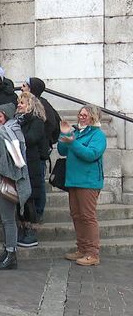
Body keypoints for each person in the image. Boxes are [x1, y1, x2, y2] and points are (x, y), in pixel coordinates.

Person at [0, 103, 31, 270]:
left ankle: (11, 255)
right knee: (5, 220)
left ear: (7, 116)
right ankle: (7, 250)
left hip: (11, 179)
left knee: (9, 220)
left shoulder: (12, 131)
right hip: (0, 179)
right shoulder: (2, 131)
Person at [58, 105, 107, 266]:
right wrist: (64, 133)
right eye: (80, 114)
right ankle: (82, 248)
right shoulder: (77, 132)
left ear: (93, 117)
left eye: (85, 115)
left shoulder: (97, 135)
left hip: (88, 181)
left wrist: (73, 143)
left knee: (87, 216)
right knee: (77, 215)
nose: (81, 117)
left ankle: (92, 252)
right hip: (73, 180)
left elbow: (91, 154)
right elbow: (62, 150)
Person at [22, 76, 61, 220]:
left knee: (38, 182)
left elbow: (51, 123)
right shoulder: (33, 104)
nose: (22, 87)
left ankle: (38, 211)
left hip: (38, 151)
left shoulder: (41, 104)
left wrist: (43, 139)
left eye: (26, 85)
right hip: (36, 151)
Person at [15, 92, 48, 248]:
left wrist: (14, 136)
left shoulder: (36, 121)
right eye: (18, 102)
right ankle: (22, 228)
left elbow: (31, 139)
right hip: (19, 164)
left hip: (31, 164)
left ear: (30, 105)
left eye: (22, 102)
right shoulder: (17, 121)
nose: (19, 105)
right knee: (20, 199)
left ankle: (31, 231)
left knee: (29, 199)